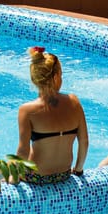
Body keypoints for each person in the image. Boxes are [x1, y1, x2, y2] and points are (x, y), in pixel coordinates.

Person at [13, 47, 88, 185]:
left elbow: (23, 150)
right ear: (55, 77)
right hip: (64, 174)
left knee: (0, 170)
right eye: (61, 74)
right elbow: (84, 141)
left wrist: (14, 179)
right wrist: (78, 170)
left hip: (36, 176)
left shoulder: (27, 110)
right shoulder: (74, 102)